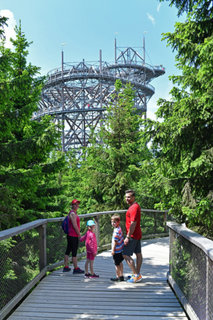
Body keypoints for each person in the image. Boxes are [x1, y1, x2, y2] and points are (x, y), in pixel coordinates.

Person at [122, 189, 143, 283]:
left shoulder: (134, 207)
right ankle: (137, 274)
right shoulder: (135, 206)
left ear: (133, 197)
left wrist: (128, 236)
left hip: (133, 235)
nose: (127, 199)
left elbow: (133, 223)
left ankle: (135, 274)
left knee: (125, 254)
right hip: (137, 234)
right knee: (138, 253)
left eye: (129, 197)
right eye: (126, 197)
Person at [63, 199, 84, 274]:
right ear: (72, 205)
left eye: (78, 204)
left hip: (70, 235)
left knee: (68, 250)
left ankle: (66, 267)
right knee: (74, 251)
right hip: (73, 235)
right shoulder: (72, 214)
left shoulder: (73, 213)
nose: (77, 205)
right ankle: (76, 268)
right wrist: (79, 234)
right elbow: (75, 225)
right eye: (75, 204)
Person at [110, 214, 124, 282]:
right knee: (120, 262)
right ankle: (121, 275)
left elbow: (115, 241)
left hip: (116, 250)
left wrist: (113, 250)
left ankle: (118, 276)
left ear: (118, 222)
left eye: (114, 222)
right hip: (121, 249)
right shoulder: (119, 228)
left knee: (117, 264)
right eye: (112, 222)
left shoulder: (116, 231)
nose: (113, 223)